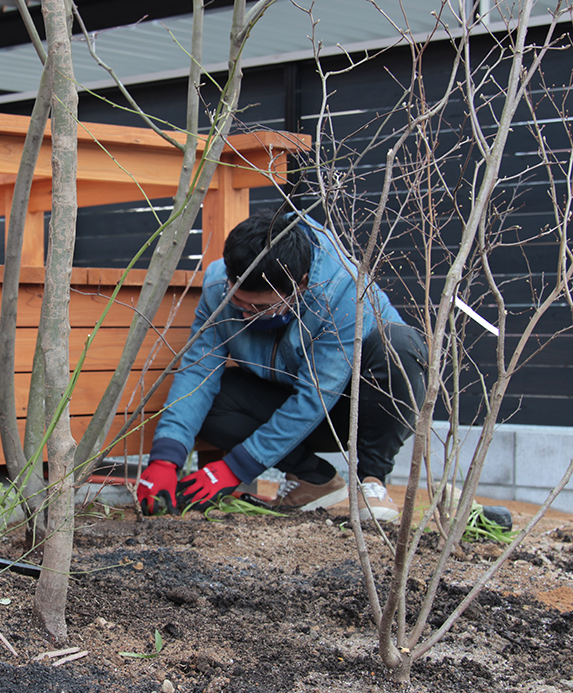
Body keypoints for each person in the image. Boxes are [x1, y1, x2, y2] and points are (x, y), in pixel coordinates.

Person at [137, 209, 427, 521]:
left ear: (300, 284)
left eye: (260, 307)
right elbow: (198, 371)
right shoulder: (218, 285)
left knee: (396, 344)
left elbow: (315, 397)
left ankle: (372, 482)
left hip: (357, 410)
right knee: (217, 400)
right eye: (239, 302)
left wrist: (236, 468)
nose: (246, 315)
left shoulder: (342, 293)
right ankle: (314, 479)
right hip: (286, 399)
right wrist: (166, 458)